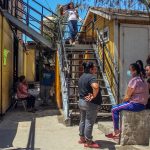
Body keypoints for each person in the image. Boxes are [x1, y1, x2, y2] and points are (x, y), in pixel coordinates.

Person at [106, 63, 149, 139]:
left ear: (134, 71)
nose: (129, 71)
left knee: (114, 109)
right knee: (121, 107)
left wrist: (123, 100)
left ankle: (116, 131)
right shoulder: (143, 80)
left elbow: (127, 96)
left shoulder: (134, 81)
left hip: (135, 104)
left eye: (130, 70)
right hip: (143, 105)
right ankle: (118, 131)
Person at [78, 62, 102, 149]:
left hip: (81, 102)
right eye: (94, 68)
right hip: (90, 104)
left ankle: (82, 138)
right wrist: (94, 95)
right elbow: (95, 86)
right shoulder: (91, 77)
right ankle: (88, 142)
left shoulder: (82, 76)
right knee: (89, 122)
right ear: (91, 69)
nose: (95, 69)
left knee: (83, 120)